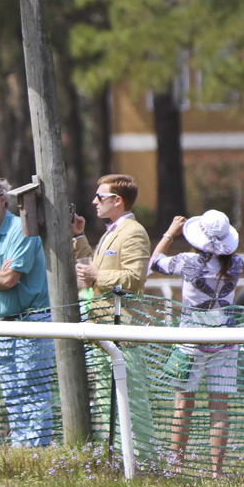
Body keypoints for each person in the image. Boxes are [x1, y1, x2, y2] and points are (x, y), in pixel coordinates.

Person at [150, 210, 243, 478]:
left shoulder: (189, 262)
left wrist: (170, 233)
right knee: (219, 409)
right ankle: (217, 471)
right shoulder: (235, 263)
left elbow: (154, 263)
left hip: (190, 341)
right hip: (225, 340)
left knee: (183, 405)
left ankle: (177, 464)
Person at [0, 175, 54, 447]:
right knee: (11, 390)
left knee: (32, 389)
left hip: (33, 320)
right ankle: (20, 449)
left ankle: (37, 449)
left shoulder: (22, 229)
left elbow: (7, 281)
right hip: (5, 322)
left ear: (4, 199)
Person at [72, 173, 154, 452]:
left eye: (100, 197)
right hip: (105, 330)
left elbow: (135, 278)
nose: (94, 201)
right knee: (109, 403)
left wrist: (98, 275)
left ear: (117, 201)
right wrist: (79, 236)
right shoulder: (112, 230)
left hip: (124, 333)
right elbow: (98, 268)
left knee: (131, 401)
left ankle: (144, 461)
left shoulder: (133, 232)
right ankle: (121, 457)